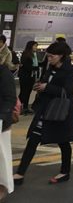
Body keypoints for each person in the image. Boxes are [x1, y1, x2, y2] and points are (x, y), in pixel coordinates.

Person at [14, 41, 73, 185]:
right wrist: (39, 86)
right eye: (48, 56)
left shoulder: (69, 70)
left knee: (63, 141)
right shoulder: (50, 67)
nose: (49, 59)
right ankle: (20, 173)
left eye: (51, 56)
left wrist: (47, 87)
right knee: (33, 139)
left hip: (59, 111)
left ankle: (65, 172)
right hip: (45, 110)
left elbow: (67, 91)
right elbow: (44, 82)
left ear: (61, 56)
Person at [0, 61, 16, 200]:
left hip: (1, 122)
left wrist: (2, 117)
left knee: (2, 156)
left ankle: (3, 186)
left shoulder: (3, 72)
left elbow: (10, 98)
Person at [18, 41, 38, 116]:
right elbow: (26, 66)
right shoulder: (26, 54)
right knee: (23, 92)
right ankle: (18, 107)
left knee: (28, 92)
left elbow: (35, 65)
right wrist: (35, 68)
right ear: (30, 46)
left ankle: (25, 107)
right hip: (25, 76)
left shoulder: (34, 54)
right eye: (35, 46)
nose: (36, 47)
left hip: (31, 76)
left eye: (36, 46)